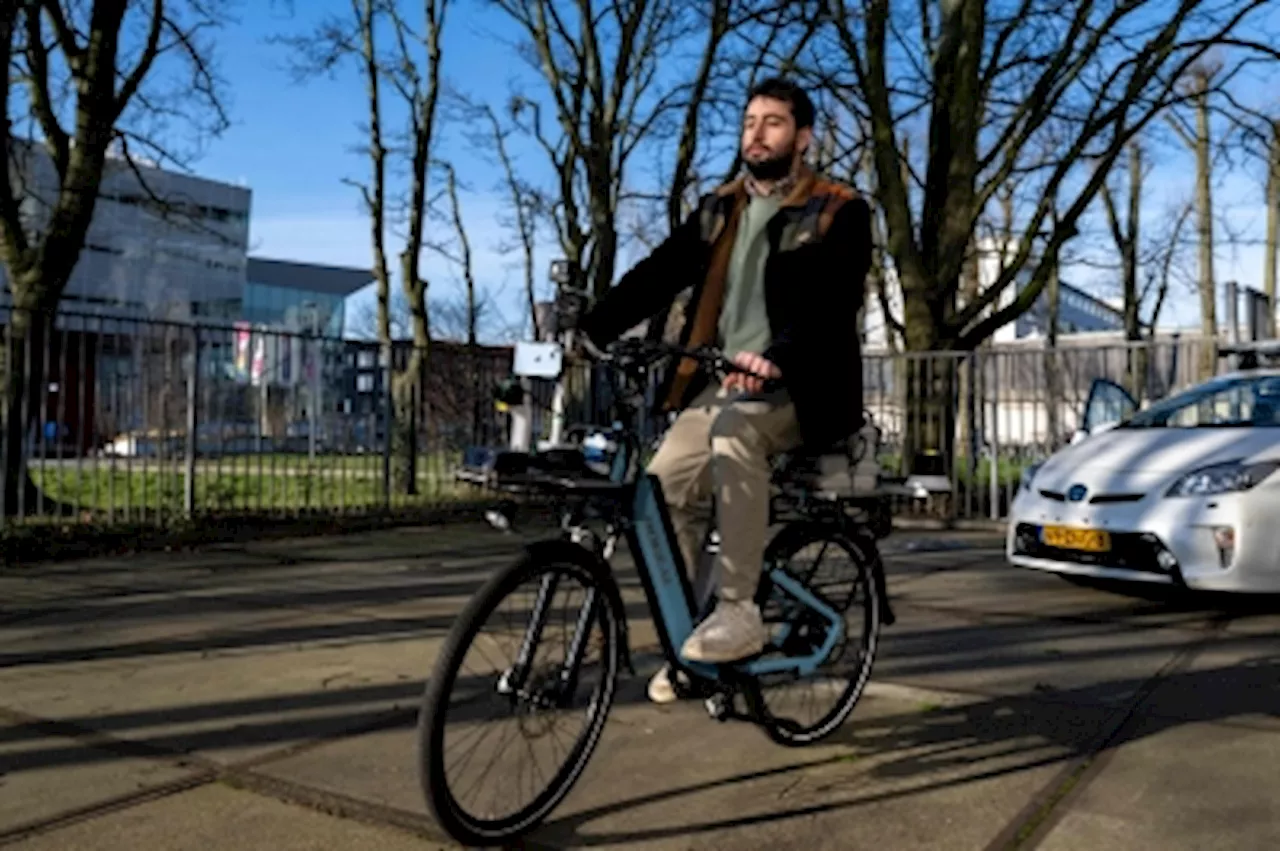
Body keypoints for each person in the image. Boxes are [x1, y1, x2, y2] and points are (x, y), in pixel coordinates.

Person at [575, 77, 873, 704]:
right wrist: (591, 328)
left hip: (802, 386)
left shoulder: (838, 211)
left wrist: (776, 358)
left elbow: (832, 303)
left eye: (772, 122)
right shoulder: (721, 209)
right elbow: (657, 274)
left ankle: (738, 609)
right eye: (748, 123)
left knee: (738, 435)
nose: (756, 134)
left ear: (803, 137)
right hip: (720, 381)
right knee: (660, 489)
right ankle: (692, 632)